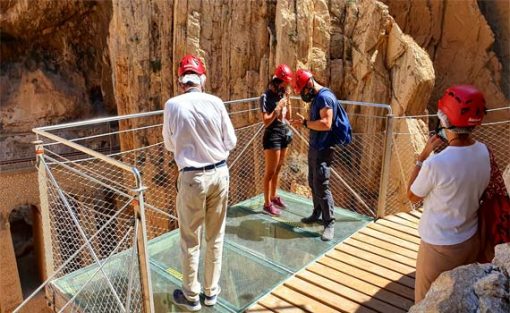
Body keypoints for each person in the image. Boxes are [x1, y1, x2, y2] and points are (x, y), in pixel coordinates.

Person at [162, 54, 237, 311]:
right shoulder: (215, 102)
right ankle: (211, 292)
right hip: (219, 173)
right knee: (215, 237)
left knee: (190, 238)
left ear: (181, 81)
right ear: (201, 79)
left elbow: (169, 144)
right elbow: (231, 141)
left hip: (192, 178)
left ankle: (191, 296)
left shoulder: (172, 105)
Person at [407, 85, 489, 303]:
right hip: (471, 238)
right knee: (457, 297)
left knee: (425, 302)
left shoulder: (437, 163)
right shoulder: (484, 152)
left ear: (445, 120)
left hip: (439, 245)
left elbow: (412, 195)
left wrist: (422, 156)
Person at [291, 69, 342, 241]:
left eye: (303, 90)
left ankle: (329, 222)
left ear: (310, 84)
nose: (304, 94)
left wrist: (305, 123)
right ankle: (317, 212)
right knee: (313, 181)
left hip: (323, 148)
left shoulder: (325, 98)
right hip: (315, 146)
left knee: (321, 184)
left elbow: (326, 124)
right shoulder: (317, 98)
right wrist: (305, 123)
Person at [260, 64, 293, 216]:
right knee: (270, 171)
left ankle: (273, 197)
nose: (285, 87)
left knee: (278, 168)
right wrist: (277, 109)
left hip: (283, 133)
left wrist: (288, 100)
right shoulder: (266, 96)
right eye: (284, 84)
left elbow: (289, 118)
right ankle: (267, 204)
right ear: (278, 81)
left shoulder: (282, 94)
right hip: (272, 135)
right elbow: (266, 121)